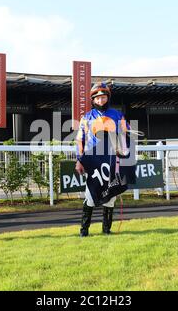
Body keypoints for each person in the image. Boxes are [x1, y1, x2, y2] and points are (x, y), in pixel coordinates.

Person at [75, 82, 133, 237]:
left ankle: (106, 230)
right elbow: (79, 140)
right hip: (92, 161)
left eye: (103, 97)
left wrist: (123, 149)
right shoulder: (86, 118)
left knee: (110, 196)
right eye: (98, 98)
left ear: (108, 97)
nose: (101, 100)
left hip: (112, 161)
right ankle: (84, 231)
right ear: (93, 100)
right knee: (91, 195)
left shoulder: (117, 115)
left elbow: (127, 134)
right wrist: (79, 160)